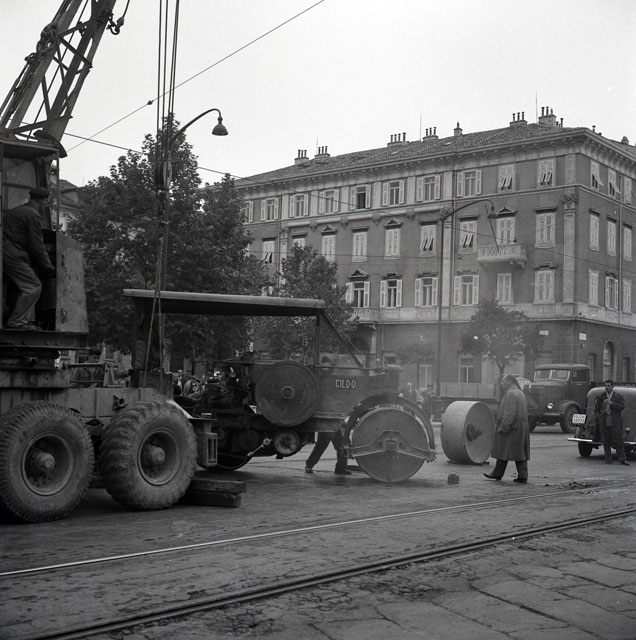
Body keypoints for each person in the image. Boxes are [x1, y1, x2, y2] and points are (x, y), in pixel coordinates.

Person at [2, 187, 56, 330]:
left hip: (7, 253)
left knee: (22, 285)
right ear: (42, 201)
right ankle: (18, 322)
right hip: (13, 255)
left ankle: (27, 320)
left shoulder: (15, 211)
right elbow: (37, 245)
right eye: (47, 202)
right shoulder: (32, 215)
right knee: (33, 286)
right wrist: (48, 265)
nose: (46, 205)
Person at [484, 374, 531, 483]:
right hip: (521, 427)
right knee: (520, 452)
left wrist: (504, 426)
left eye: (503, 381)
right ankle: (522, 475)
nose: (502, 383)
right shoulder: (520, 393)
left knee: (502, 450)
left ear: (510, 382)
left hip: (512, 427)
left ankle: (498, 473)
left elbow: (509, 412)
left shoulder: (510, 394)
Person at [594, 379, 629, 465]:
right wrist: (599, 418)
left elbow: (622, 406)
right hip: (604, 421)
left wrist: (611, 403)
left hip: (615, 421)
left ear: (612, 386)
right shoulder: (601, 396)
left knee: (618, 440)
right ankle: (608, 458)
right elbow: (596, 409)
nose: (607, 387)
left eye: (608, 386)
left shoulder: (618, 396)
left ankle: (622, 459)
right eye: (605, 386)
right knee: (606, 440)